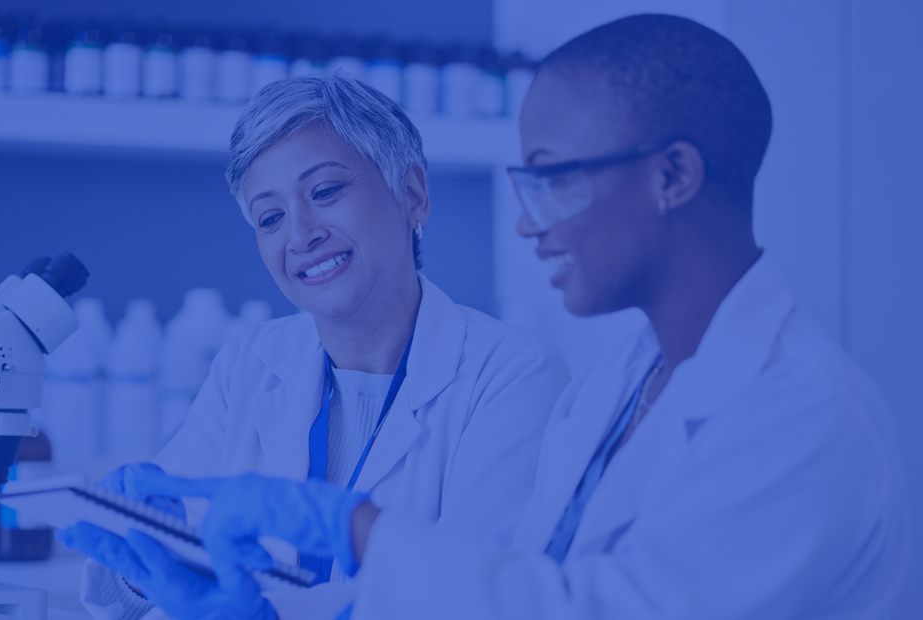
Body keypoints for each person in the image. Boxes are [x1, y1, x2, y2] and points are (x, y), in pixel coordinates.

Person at [63, 14, 911, 619]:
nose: (527, 220)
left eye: (555, 176)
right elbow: (513, 589)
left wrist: (353, 532)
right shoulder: (616, 385)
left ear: (673, 176)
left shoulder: (801, 415)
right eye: (269, 216)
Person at [57, 74, 570, 620]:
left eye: (325, 192)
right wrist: (140, 560)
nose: (300, 234)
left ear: (413, 195)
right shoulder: (249, 366)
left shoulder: (512, 374)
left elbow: (478, 600)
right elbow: (144, 586)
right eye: (270, 218)